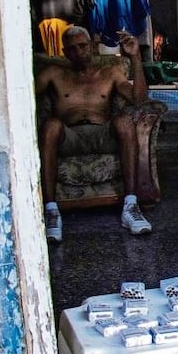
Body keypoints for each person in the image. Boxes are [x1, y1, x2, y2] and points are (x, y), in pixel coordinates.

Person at [35, 25, 153, 242]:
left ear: (91, 47)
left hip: (102, 135)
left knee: (125, 122)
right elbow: (24, 91)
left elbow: (139, 100)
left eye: (82, 46)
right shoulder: (54, 73)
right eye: (72, 49)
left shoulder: (110, 73)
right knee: (50, 126)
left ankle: (131, 206)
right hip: (69, 136)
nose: (78, 52)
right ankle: (51, 211)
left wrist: (135, 57)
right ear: (64, 52)